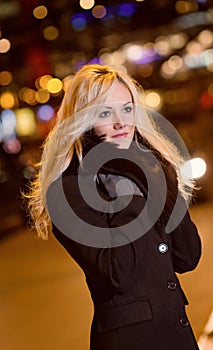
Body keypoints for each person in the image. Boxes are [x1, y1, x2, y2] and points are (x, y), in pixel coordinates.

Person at [26, 64, 202, 350]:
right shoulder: (67, 191)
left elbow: (188, 256)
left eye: (127, 108)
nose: (121, 122)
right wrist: (124, 188)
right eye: (105, 113)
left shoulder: (145, 171)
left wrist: (163, 177)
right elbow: (120, 274)